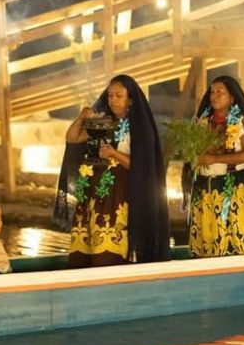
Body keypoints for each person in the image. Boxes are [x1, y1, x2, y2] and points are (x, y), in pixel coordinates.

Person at [54, 75, 172, 267]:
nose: (113, 100)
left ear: (130, 99)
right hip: (95, 193)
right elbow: (73, 138)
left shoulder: (140, 128)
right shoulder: (103, 122)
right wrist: (81, 117)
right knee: (87, 249)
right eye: (110, 96)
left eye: (119, 96)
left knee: (109, 252)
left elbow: (143, 166)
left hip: (121, 193)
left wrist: (113, 153)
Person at [187, 76, 244, 257]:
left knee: (237, 246)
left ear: (232, 98)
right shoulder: (202, 122)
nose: (214, 96)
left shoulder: (240, 122)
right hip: (205, 189)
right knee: (208, 246)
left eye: (220, 92)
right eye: (212, 93)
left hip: (235, 188)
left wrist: (214, 158)